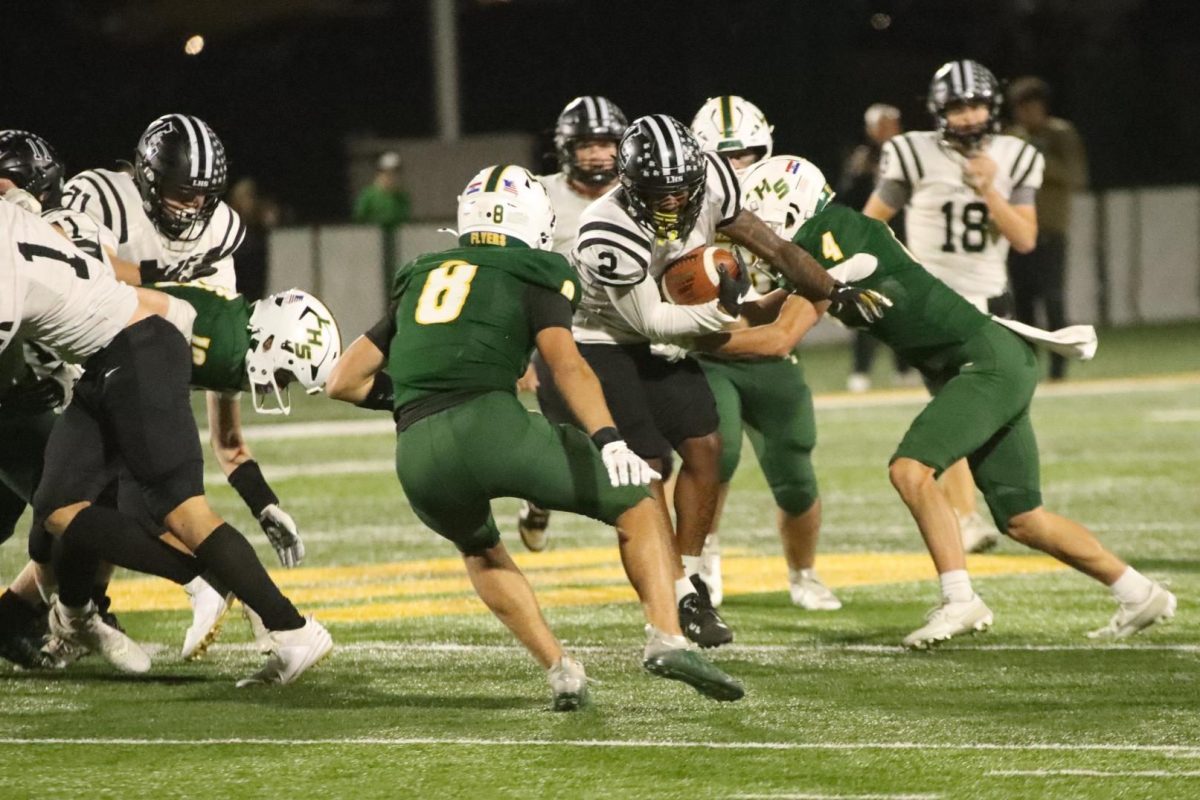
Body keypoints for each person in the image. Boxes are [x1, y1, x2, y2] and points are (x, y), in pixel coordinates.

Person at [326, 165, 744, 709]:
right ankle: (666, 638)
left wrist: (410, 396)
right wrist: (610, 438)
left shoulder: (420, 272)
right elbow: (566, 366)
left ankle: (560, 669)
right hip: (492, 426)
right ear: (533, 217)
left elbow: (343, 380)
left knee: (480, 550)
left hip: (417, 454)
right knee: (641, 497)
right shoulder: (538, 267)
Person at [743, 152, 1175, 648]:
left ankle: (959, 600)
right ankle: (1139, 592)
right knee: (1022, 519)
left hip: (984, 364)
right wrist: (730, 305)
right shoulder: (829, 237)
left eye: (758, 222)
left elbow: (780, 338)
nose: (757, 237)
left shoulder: (830, 231)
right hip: (995, 360)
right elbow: (766, 311)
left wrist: (693, 340)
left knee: (911, 470)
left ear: (786, 208)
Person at [570, 114, 889, 646]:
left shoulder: (716, 179)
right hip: (605, 341)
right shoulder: (606, 229)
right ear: (630, 188)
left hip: (671, 325)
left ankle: (691, 574)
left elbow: (779, 250)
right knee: (646, 468)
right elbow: (649, 323)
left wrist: (831, 289)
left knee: (707, 447)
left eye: (681, 191)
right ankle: (672, 595)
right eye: (658, 194)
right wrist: (723, 309)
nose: (672, 203)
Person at [2, 199, 333, 684]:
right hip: (109, 361)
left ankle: (293, 628)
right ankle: (184, 584)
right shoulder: (15, 224)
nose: (278, 385)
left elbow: (161, 312)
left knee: (178, 509)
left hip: (130, 352)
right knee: (57, 506)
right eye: (284, 374)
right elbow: (161, 304)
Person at [58, 115, 309, 658]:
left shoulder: (219, 228)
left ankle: (64, 617)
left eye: (203, 196)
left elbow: (221, 343)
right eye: (179, 193)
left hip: (140, 374)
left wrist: (257, 492)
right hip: (73, 366)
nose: (192, 208)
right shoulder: (102, 197)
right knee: (73, 511)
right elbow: (70, 272)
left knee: (91, 506)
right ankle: (58, 614)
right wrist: (155, 284)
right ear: (148, 179)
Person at [863, 59, 1043, 554]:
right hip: (934, 305)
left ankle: (995, 510)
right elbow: (872, 223)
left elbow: (1024, 237)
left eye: (976, 105)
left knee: (983, 415)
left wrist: (989, 190)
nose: (967, 116)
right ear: (939, 110)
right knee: (954, 405)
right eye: (957, 106)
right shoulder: (913, 153)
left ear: (993, 106)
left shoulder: (1018, 156)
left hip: (990, 302)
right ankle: (964, 517)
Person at [683, 98, 840, 612]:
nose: (737, 168)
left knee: (796, 478)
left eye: (747, 154)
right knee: (715, 457)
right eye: (722, 157)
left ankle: (804, 573)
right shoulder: (683, 205)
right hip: (709, 355)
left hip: (771, 356)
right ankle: (699, 561)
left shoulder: (794, 191)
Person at [516, 95, 629, 552]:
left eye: (607, 143)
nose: (599, 154)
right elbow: (518, 276)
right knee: (567, 442)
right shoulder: (539, 195)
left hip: (626, 334)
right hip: (561, 335)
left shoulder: (638, 189)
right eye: (587, 144)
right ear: (567, 148)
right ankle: (539, 499)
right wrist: (521, 353)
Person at [1006, 76, 1088, 381]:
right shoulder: (1012, 138)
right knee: (1022, 306)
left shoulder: (1060, 134)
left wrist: (1037, 156)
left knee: (1053, 301)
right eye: (1020, 108)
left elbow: (1075, 176)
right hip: (1016, 234)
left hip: (1051, 232)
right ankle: (1029, 372)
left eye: (1030, 107)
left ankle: (1058, 370)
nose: (1025, 115)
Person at [838, 103, 914, 392]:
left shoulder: (909, 154)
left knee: (905, 307)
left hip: (905, 240)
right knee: (865, 305)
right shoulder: (863, 156)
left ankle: (905, 368)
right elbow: (846, 199)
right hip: (870, 243)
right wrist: (857, 174)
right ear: (871, 129)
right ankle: (860, 370)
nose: (891, 129)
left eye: (894, 123)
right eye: (884, 124)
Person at [352, 151, 411, 228]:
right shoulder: (368, 195)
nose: (391, 177)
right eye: (387, 173)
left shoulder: (402, 197)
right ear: (379, 173)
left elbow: (405, 221)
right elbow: (358, 220)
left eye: (395, 173)